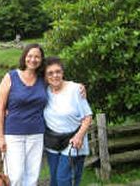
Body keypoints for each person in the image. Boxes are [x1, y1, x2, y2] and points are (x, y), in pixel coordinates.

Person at [0, 43, 48, 186]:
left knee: (32, 176)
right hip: (13, 134)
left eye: (37, 56)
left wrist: (77, 87)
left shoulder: (43, 79)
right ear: (24, 57)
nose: (33, 59)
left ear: (41, 60)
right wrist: (1, 137)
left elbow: (60, 82)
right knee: (15, 176)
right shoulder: (10, 77)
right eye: (30, 56)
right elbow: (0, 108)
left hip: (36, 133)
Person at [43, 56, 93, 186]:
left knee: (64, 179)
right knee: (54, 179)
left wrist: (79, 136)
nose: (55, 75)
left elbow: (88, 116)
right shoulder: (44, 91)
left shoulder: (75, 89)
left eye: (58, 71)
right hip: (52, 141)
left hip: (73, 141)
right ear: (45, 76)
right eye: (50, 73)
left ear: (63, 72)